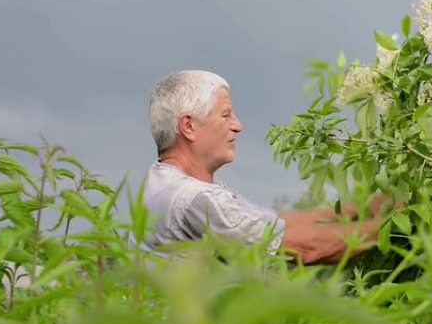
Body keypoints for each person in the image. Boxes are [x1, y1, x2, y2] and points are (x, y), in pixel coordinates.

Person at [132, 70, 388, 264]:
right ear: (188, 126)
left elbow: (273, 224)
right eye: (225, 115)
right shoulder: (196, 200)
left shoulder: (160, 181)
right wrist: (394, 225)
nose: (237, 125)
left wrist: (362, 210)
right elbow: (306, 247)